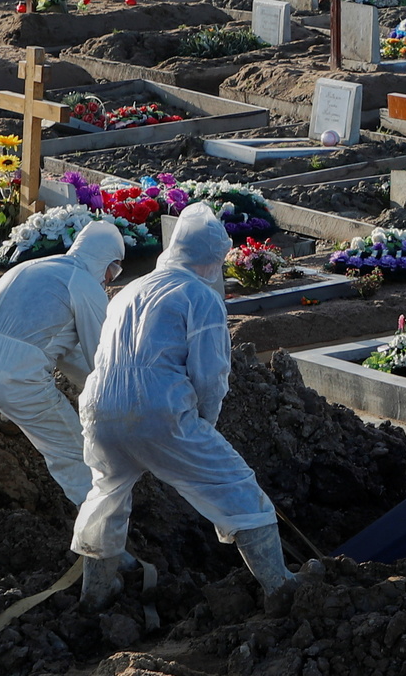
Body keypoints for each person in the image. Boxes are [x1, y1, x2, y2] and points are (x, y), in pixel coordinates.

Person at [71, 203, 294, 612]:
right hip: (160, 412)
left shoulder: (129, 291)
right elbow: (210, 374)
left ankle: (94, 597)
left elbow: (103, 356)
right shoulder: (200, 296)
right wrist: (204, 423)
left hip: (100, 411)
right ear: (211, 259)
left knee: (106, 499)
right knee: (238, 489)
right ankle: (281, 588)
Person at [0, 220, 126, 506]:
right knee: (76, 455)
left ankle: (7, 413)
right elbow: (103, 357)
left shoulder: (32, 266)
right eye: (113, 270)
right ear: (105, 260)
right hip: (12, 380)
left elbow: (70, 351)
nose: (109, 279)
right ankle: (101, 530)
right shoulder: (84, 285)